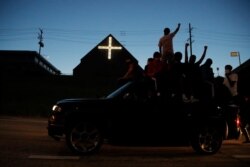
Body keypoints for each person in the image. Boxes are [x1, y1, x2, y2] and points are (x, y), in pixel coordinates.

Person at [223, 64, 250, 143]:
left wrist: (227, 76)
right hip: (230, 97)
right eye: (225, 69)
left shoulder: (234, 75)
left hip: (235, 96)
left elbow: (232, 84)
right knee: (241, 124)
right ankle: (247, 138)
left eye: (227, 68)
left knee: (242, 123)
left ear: (230, 69)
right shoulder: (225, 78)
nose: (226, 70)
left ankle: (247, 138)